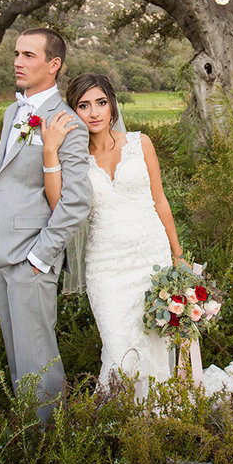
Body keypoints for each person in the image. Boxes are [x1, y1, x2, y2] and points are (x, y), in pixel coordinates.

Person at [41, 72, 183, 399]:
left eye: (101, 103)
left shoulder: (140, 143)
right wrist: (50, 152)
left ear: (112, 106)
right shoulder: (73, 160)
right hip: (105, 267)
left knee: (157, 342)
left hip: (152, 259)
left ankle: (162, 416)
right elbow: (57, 205)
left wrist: (177, 254)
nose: (94, 112)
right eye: (84, 105)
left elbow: (159, 199)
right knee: (118, 347)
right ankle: (117, 422)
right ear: (73, 111)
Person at [0, 28, 92, 425]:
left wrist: (41, 257)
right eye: (16, 53)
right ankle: (26, 436)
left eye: (29, 55)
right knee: (17, 357)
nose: (17, 61)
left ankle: (48, 444)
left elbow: (76, 200)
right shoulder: (13, 113)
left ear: (54, 64)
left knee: (38, 361)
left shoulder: (67, 123)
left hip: (32, 257)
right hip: (1, 250)